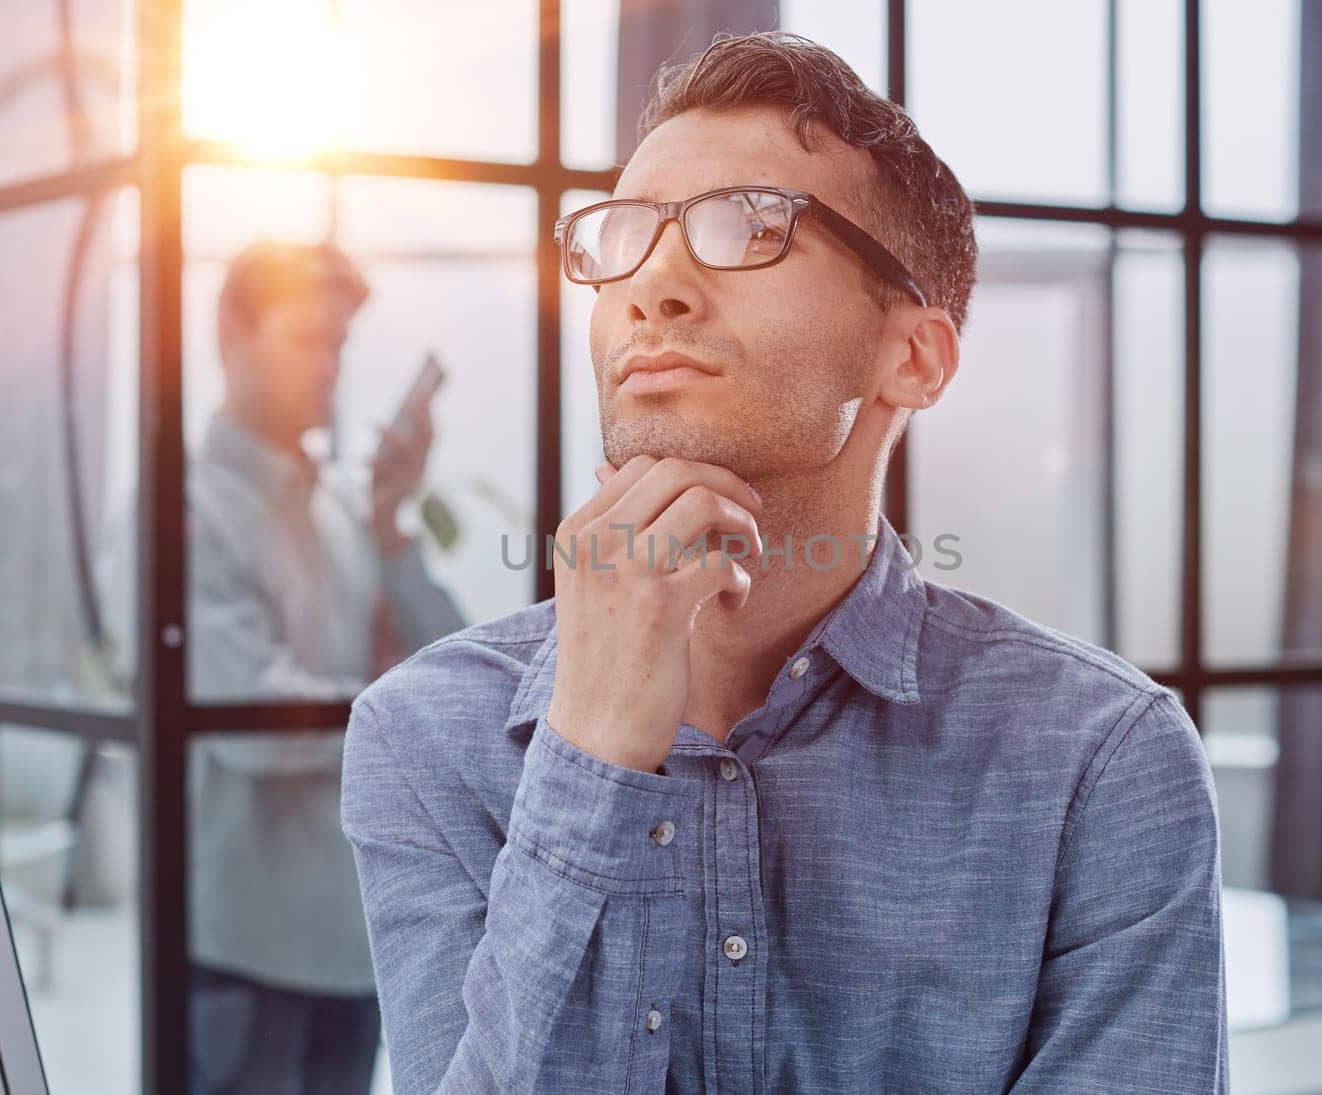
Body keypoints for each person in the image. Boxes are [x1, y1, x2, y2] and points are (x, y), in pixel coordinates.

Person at [341, 31, 1227, 1095]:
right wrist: (592, 750)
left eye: (748, 227)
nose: (650, 287)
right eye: (622, 235)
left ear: (913, 355)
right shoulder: (424, 735)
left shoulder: (1099, 758)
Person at [187, 240, 467, 1094]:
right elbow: (248, 720)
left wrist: (390, 526)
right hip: (247, 953)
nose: (331, 368)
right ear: (232, 330)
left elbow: (453, 674)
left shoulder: (349, 506)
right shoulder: (184, 507)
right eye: (310, 338)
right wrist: (397, 711)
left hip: (358, 947)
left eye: (341, 345)